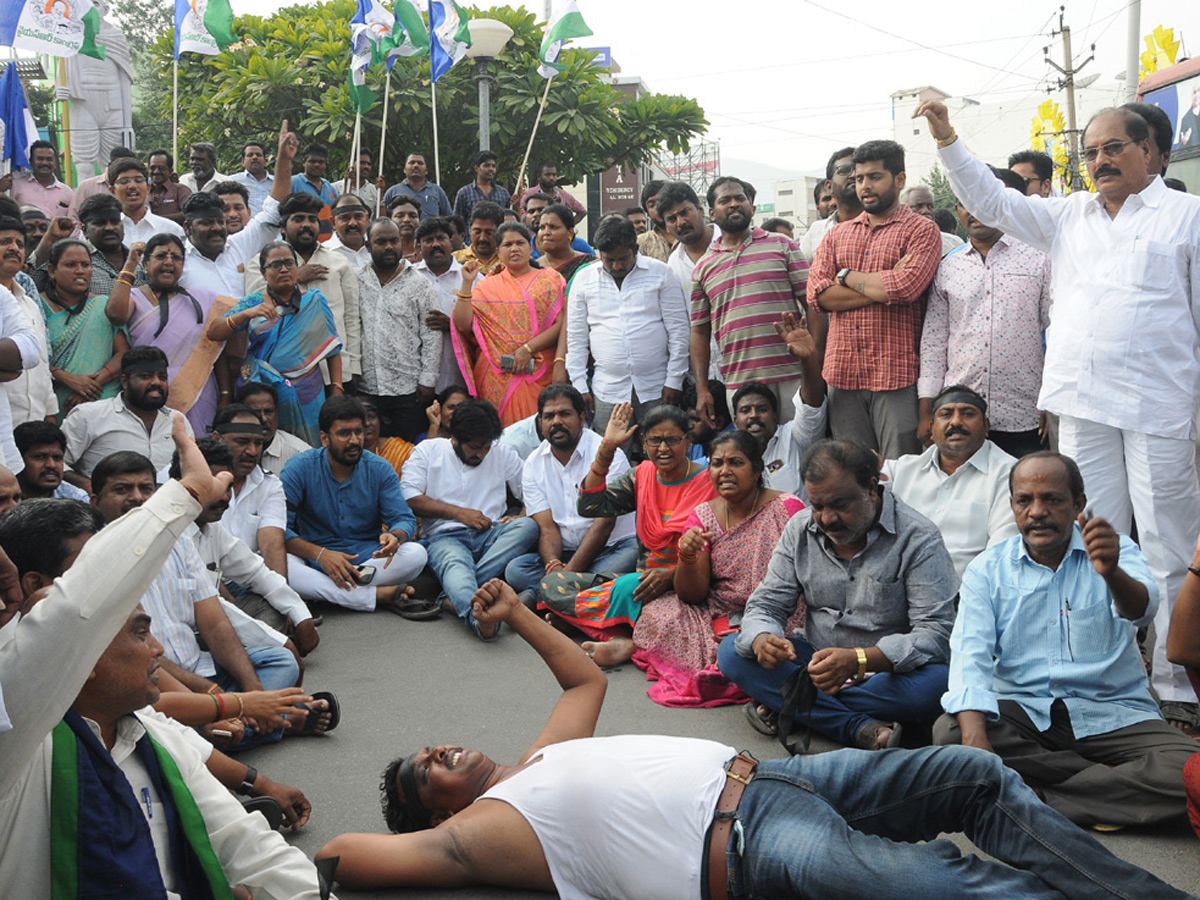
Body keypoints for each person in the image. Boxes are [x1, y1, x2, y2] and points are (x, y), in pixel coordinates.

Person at [318, 577, 1194, 900]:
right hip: (750, 846)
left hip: (779, 781)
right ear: (433, 813)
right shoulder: (476, 836)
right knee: (952, 878)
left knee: (972, 773)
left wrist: (515, 615)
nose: (438, 753)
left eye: (430, 746)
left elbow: (585, 679)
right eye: (426, 771)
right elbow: (350, 858)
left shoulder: (542, 758)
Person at [916, 98, 1200, 735]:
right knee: (1095, 536)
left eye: (1113, 149)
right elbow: (993, 202)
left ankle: (1175, 683)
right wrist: (949, 141)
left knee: (1166, 542)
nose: (1099, 161)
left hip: (1159, 401)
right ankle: (1114, 670)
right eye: (1091, 152)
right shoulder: (1068, 215)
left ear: (1150, 152)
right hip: (1082, 398)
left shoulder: (1188, 216)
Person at [0, 417, 333, 898]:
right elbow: (74, 612)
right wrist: (185, 495)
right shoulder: (19, 734)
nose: (153, 644)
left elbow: (246, 843)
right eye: (136, 628)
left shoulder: (148, 733)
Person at [937, 452, 1200, 828]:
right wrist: (974, 740)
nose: (1037, 511)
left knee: (1191, 770)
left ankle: (1041, 798)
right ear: (1011, 505)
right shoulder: (987, 569)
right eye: (1024, 500)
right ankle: (1111, 790)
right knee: (950, 732)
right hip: (1027, 711)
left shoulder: (1117, 548)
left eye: (1053, 500)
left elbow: (1140, 610)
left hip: (1115, 713)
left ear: (1078, 503)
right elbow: (969, 655)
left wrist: (1110, 573)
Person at [718, 439, 957, 752]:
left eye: (840, 505)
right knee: (733, 654)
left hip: (886, 673)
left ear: (871, 488)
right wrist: (764, 638)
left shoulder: (919, 538)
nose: (827, 518)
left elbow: (936, 634)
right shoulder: (799, 529)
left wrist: (858, 661)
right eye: (817, 506)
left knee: (937, 685)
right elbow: (767, 604)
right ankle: (857, 727)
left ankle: (791, 703)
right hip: (816, 659)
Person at [90, 449, 301, 716]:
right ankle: (270, 720)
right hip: (152, 683)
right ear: (95, 501)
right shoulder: (93, 559)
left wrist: (252, 692)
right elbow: (137, 654)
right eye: (122, 489)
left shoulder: (177, 541)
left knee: (281, 662)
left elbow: (215, 623)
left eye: (145, 488)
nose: (136, 497)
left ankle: (240, 723)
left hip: (201, 669)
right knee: (153, 717)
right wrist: (217, 699)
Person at [595, 429, 807, 694]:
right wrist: (688, 555)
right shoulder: (703, 516)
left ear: (756, 470)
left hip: (775, 613)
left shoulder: (788, 509)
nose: (725, 470)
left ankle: (713, 663)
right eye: (717, 463)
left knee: (771, 643)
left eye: (736, 462)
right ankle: (643, 647)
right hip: (719, 611)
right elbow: (692, 595)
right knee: (659, 614)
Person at [540, 403, 717, 647]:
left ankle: (598, 627)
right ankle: (614, 627)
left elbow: (718, 554)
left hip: (686, 586)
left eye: (672, 440)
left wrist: (669, 577)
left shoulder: (710, 482)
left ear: (687, 441)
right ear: (644, 444)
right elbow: (589, 506)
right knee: (554, 583)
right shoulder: (641, 476)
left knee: (627, 588)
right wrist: (608, 446)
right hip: (641, 584)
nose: (663, 448)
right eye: (655, 441)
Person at [809, 140, 942, 459]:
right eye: (859, 178)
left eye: (874, 177)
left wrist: (845, 277)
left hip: (894, 374)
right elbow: (818, 294)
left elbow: (906, 287)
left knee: (901, 472)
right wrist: (882, 285)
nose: (864, 186)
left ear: (899, 179)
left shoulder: (921, 231)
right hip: (842, 374)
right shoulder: (837, 234)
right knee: (853, 475)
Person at [918, 176, 1052, 459]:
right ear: (957, 210)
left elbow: (1056, 333)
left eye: (983, 201)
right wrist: (926, 410)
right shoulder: (949, 267)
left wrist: (1051, 401)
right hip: (961, 415)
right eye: (966, 204)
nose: (975, 210)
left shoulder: (1038, 259)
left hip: (1024, 412)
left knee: (1023, 493)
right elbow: (933, 343)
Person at [282, 395, 431, 616]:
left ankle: (328, 593)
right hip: (315, 559)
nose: (354, 441)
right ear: (324, 438)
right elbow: (278, 529)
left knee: (416, 554)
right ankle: (377, 595)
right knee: (283, 563)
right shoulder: (299, 468)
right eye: (344, 433)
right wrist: (321, 554)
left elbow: (403, 519)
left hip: (368, 557)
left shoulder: (380, 469)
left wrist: (395, 537)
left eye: (358, 432)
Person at [401, 399, 537, 639]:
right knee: (456, 567)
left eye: (486, 446)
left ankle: (449, 596)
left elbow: (532, 492)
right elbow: (410, 497)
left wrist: (521, 514)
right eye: (474, 448)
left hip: (492, 536)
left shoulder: (501, 451)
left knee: (527, 526)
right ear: (455, 438)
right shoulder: (428, 450)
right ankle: (482, 622)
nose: (481, 453)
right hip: (445, 538)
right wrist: (461, 514)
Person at [173, 438, 318, 655]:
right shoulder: (172, 535)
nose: (224, 496)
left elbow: (256, 572)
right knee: (281, 660)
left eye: (228, 486)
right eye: (214, 484)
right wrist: (280, 642)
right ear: (182, 483)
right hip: (182, 637)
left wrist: (302, 616)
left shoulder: (211, 528)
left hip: (215, 623)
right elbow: (212, 609)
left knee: (272, 607)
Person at [691, 176, 811, 427]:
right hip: (739, 380)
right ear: (712, 213)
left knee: (800, 450)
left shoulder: (783, 245)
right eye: (725, 200)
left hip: (792, 374)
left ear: (752, 207)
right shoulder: (703, 267)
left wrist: (815, 356)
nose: (734, 204)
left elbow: (814, 305)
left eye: (740, 198)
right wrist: (702, 388)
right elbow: (699, 333)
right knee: (751, 457)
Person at [503, 385, 639, 598]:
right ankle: (570, 597)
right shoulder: (533, 463)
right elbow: (546, 527)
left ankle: (543, 596)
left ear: (582, 417)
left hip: (613, 547)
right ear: (540, 423)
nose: (556, 421)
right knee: (515, 570)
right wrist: (554, 566)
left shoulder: (607, 453)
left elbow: (603, 525)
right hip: (565, 552)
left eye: (565, 414)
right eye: (549, 416)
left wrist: (566, 576)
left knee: (629, 558)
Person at [209, 241, 344, 445]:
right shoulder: (253, 302)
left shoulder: (314, 301)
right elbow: (214, 332)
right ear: (263, 273)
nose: (283, 269)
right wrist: (246, 314)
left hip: (308, 392)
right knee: (260, 446)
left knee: (311, 448)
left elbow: (332, 349)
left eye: (289, 263)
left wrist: (336, 390)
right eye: (275, 265)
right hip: (262, 394)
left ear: (297, 268)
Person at [565, 214, 688, 433]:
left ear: (635, 249)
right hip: (607, 390)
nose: (617, 265)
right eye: (609, 259)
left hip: (657, 387)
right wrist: (579, 384)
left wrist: (674, 380)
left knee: (660, 453)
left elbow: (678, 332)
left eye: (623, 258)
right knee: (611, 457)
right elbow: (576, 338)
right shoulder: (584, 279)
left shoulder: (661, 273)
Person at [883, 385, 1019, 578]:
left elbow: (1000, 553)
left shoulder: (1009, 474)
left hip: (967, 594)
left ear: (986, 427)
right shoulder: (900, 470)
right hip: (898, 591)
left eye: (968, 414)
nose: (956, 422)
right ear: (931, 429)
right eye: (946, 414)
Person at [105, 235, 237, 433]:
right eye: (160, 256)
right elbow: (115, 314)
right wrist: (131, 263)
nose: (168, 262)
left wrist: (225, 396)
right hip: (146, 392)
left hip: (198, 394)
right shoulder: (133, 297)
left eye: (176, 257)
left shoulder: (203, 300)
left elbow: (215, 352)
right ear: (147, 264)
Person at [451, 222, 564, 427]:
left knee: (539, 432)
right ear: (498, 252)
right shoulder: (487, 285)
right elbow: (464, 325)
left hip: (538, 370)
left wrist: (528, 349)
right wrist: (467, 283)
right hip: (496, 375)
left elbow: (561, 324)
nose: (514, 248)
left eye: (520, 243)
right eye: (507, 244)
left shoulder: (550, 279)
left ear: (531, 247)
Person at [245, 191, 361, 388]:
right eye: (298, 219)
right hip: (282, 376)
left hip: (333, 373)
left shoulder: (339, 263)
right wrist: (294, 276)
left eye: (312, 219)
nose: (306, 224)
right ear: (283, 227)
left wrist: (354, 366)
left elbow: (351, 317)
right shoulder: (259, 264)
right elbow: (256, 310)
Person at [179, 121, 297, 300]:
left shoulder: (236, 245)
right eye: (207, 223)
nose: (217, 228)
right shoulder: (178, 261)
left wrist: (284, 159)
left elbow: (274, 208)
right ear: (188, 228)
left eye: (219, 221)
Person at [355, 217, 441, 441]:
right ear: (368, 246)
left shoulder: (419, 283)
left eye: (394, 240)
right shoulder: (356, 280)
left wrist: (428, 380)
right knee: (369, 450)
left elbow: (431, 334)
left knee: (405, 452)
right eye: (381, 242)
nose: (389, 247)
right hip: (366, 386)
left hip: (408, 388)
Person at [63, 346, 192, 481]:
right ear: (125, 381)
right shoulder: (89, 415)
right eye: (145, 376)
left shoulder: (178, 421)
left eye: (162, 377)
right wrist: (87, 487)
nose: (156, 382)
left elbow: (192, 467)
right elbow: (57, 463)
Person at [40, 237, 129, 422]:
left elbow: (123, 353)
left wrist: (90, 387)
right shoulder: (36, 305)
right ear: (51, 271)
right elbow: (31, 358)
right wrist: (68, 379)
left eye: (85, 264)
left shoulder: (104, 305)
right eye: (70, 264)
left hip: (102, 402)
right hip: (53, 405)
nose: (80, 271)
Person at [658, 181, 723, 381]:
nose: (680, 222)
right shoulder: (673, 265)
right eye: (671, 219)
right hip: (700, 373)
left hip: (740, 363)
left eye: (685, 212)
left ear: (700, 209)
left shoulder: (729, 244)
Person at [0, 216, 56, 428]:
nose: (14, 248)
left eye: (19, 244)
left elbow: (41, 361)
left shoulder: (30, 303)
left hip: (34, 423)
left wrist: (50, 413)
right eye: (5, 241)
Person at [415, 216, 476, 392]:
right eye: (428, 240)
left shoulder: (473, 279)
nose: (436, 244)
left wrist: (452, 325)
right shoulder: (409, 278)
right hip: (417, 378)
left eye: (441, 238)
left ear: (451, 241)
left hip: (459, 375)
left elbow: (484, 327)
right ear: (418, 246)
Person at [798, 146, 864, 260]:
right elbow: (803, 273)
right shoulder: (817, 231)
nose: (853, 175)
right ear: (829, 186)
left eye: (857, 170)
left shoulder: (883, 225)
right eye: (844, 170)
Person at [237, 380, 313, 474]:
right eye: (256, 413)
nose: (264, 419)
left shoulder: (302, 456)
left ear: (277, 414)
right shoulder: (229, 451)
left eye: (268, 412)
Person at [107, 157, 184, 244]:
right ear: (112, 190)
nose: (132, 186)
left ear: (148, 187)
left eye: (138, 180)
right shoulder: (107, 232)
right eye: (124, 181)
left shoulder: (172, 230)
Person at [14, 421, 89, 501]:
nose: (51, 465)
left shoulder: (76, 499)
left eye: (57, 458)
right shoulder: (4, 499)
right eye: (40, 457)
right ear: (19, 459)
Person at [10, 140, 72, 218]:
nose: (45, 163)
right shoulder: (16, 186)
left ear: (55, 163)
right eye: (40, 159)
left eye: (49, 159)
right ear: (31, 162)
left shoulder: (67, 192)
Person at [289, 142, 337, 242]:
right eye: (312, 161)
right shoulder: (293, 183)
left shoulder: (329, 187)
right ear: (304, 162)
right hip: (302, 242)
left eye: (321, 162)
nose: (317, 165)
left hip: (328, 244)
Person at [382, 152, 452, 219]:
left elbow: (449, 217)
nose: (416, 165)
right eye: (412, 162)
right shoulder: (393, 191)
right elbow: (382, 217)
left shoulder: (437, 191)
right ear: (404, 170)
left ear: (426, 170)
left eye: (420, 163)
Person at [361, 397, 414, 480]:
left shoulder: (400, 450)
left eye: (371, 417)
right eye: (361, 419)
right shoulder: (344, 455)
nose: (367, 423)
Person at [453, 150, 512, 223]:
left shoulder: (503, 193)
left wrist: (516, 205)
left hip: (497, 234)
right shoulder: (464, 193)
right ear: (477, 168)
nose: (491, 169)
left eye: (493, 166)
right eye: (486, 165)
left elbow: (510, 219)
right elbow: (457, 222)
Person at [904, 185, 963, 256]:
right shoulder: (893, 245)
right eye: (918, 206)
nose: (926, 211)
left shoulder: (954, 244)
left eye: (930, 206)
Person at [519, 162, 586, 223]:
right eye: (547, 175)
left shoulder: (563, 195)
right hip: (533, 235)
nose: (551, 178)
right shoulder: (529, 194)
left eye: (554, 175)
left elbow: (582, 211)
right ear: (539, 176)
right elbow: (522, 216)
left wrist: (567, 226)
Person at [452, 201, 504, 271]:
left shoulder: (508, 260)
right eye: (477, 232)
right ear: (469, 230)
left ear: (500, 232)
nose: (482, 238)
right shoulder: (454, 260)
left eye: (489, 233)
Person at [327, 191, 372, 268]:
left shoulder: (378, 248)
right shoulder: (324, 254)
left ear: (367, 220)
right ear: (333, 222)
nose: (352, 223)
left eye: (358, 216)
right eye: (345, 218)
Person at [145, 149, 191, 225]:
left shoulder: (180, 190)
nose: (156, 171)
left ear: (170, 170)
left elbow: (189, 214)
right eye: (152, 168)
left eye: (161, 168)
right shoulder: (144, 191)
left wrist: (158, 219)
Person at [229, 140, 274, 215]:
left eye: (258, 155)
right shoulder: (232, 181)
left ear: (265, 161)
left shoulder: (277, 183)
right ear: (243, 161)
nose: (255, 157)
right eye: (250, 155)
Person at [332, 148, 380, 217]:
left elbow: (381, 218)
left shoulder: (374, 190)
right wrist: (347, 186)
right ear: (350, 165)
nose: (366, 166)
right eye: (362, 163)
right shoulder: (334, 188)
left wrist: (381, 194)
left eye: (368, 164)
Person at [636, 179, 675, 261]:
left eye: (662, 201)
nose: (658, 208)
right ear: (647, 212)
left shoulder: (689, 235)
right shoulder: (641, 243)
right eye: (652, 205)